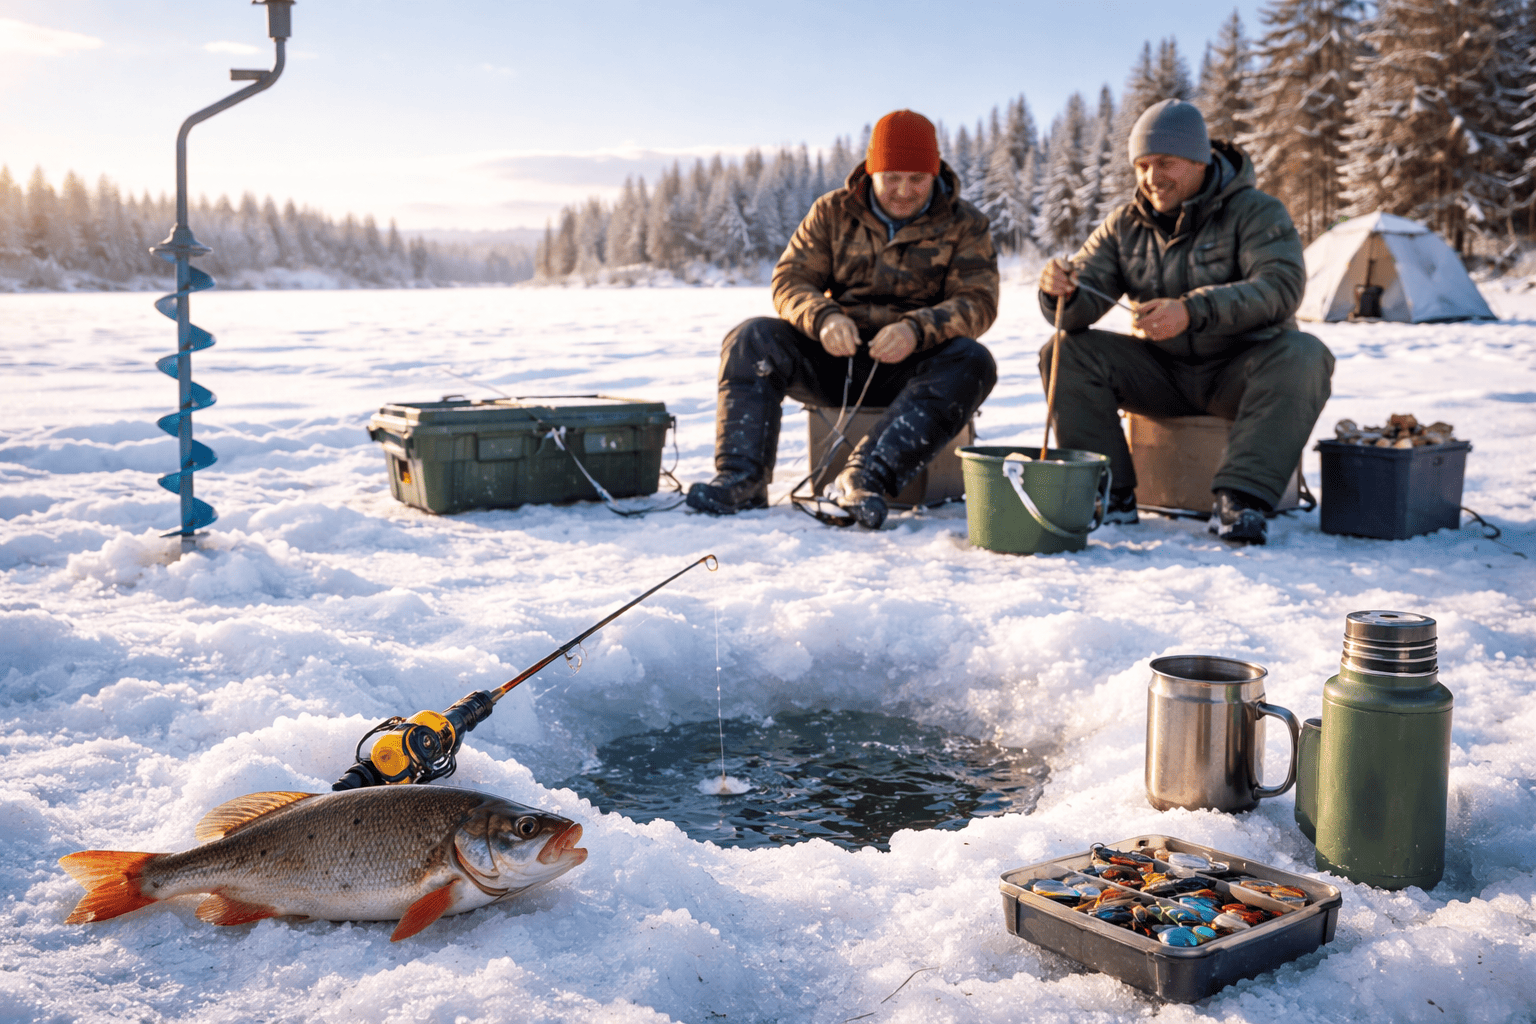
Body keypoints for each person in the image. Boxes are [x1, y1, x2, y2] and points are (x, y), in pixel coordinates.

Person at [1037, 98, 1334, 545]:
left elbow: (1280, 287)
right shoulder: (1124, 225)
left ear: (1200, 160)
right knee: (1066, 350)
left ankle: (1242, 499)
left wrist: (1192, 311)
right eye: (1142, 165)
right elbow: (1078, 312)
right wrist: (1060, 289)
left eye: (1165, 163)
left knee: (1306, 354)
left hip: (1240, 373)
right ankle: (1108, 494)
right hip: (1163, 374)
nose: (1152, 178)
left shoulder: (1255, 210)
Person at [686, 109, 999, 529]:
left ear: (935, 172)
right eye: (892, 178)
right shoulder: (832, 212)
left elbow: (978, 301)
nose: (904, 191)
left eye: (917, 179)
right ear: (871, 171)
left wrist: (916, 329)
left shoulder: (966, 224)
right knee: (753, 338)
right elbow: (790, 280)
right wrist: (823, 318)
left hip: (912, 368)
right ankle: (742, 478)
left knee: (973, 361)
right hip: (835, 357)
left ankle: (865, 477)